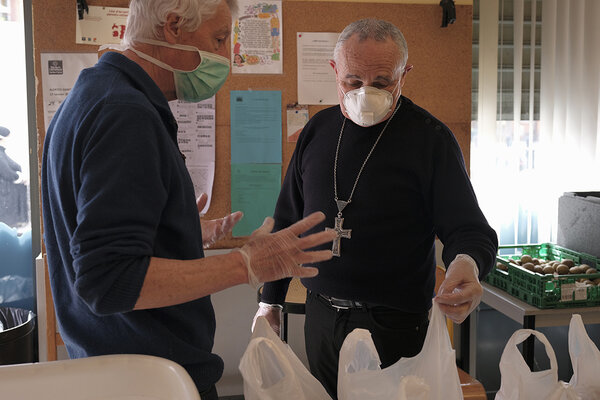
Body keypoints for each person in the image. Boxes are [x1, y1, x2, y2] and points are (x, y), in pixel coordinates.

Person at [41, 0, 336, 398]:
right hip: (148, 382)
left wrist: (176, 233)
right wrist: (247, 264)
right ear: (174, 27)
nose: (224, 56)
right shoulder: (125, 113)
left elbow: (95, 237)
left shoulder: (93, 93)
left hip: (118, 371)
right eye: (218, 39)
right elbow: (107, 281)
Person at [255, 18, 498, 398]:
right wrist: (270, 298)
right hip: (320, 317)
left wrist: (465, 264)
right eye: (353, 81)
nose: (365, 93)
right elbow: (288, 221)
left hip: (394, 324)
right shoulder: (317, 132)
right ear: (335, 71)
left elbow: (469, 229)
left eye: (382, 82)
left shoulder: (430, 140)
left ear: (405, 73)